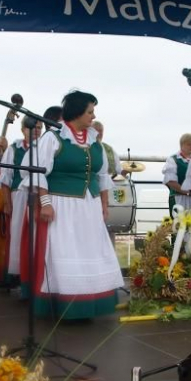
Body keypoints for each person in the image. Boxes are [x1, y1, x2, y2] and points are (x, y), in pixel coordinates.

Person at [29, 91, 124, 319]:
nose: (93, 116)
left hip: (88, 206)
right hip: (62, 205)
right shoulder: (53, 138)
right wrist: (45, 203)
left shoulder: (94, 142)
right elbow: (40, 173)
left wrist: (104, 204)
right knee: (66, 250)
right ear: (77, 112)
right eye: (90, 111)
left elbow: (101, 176)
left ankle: (87, 303)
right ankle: (66, 305)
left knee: (89, 250)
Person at [0, 115, 42, 286]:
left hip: (40, 196)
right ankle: (23, 281)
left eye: (39, 128)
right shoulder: (14, 149)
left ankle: (37, 281)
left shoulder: (46, 146)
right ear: (23, 129)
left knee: (38, 236)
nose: (36, 131)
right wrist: (8, 204)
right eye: (33, 128)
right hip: (19, 196)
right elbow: (5, 179)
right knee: (18, 236)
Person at [162, 133, 191, 215]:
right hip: (178, 198)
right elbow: (170, 181)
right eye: (189, 144)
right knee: (179, 224)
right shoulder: (173, 159)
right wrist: (187, 192)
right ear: (182, 145)